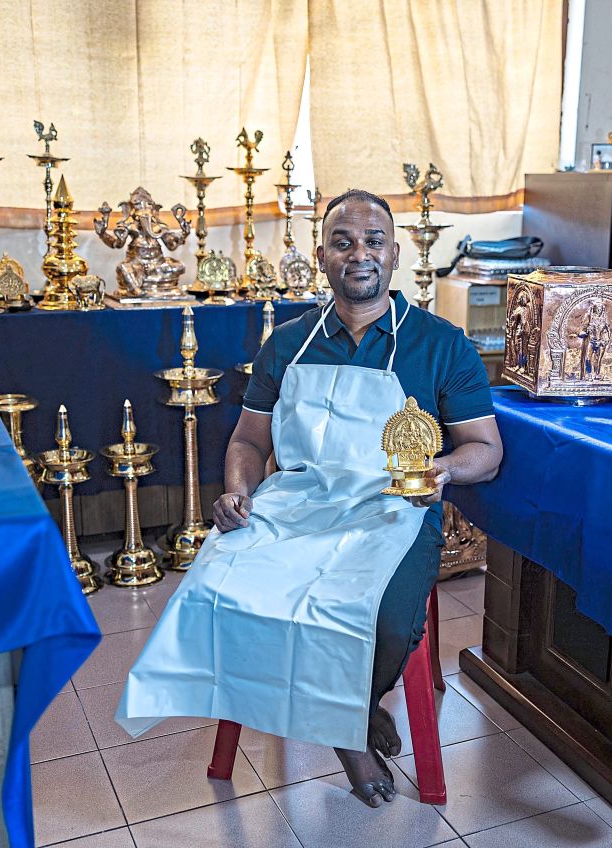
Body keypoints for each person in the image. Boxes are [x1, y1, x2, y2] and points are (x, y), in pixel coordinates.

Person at [115, 189, 503, 807]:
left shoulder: (440, 343)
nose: (360, 255)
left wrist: (445, 470)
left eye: (373, 241)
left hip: (392, 511)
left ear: (395, 253)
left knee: (373, 614)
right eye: (343, 243)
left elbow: (485, 447)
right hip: (295, 504)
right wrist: (237, 493)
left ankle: (351, 715)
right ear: (321, 257)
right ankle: (349, 728)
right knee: (218, 586)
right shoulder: (287, 343)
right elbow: (248, 439)